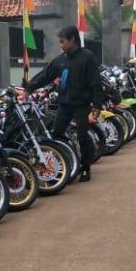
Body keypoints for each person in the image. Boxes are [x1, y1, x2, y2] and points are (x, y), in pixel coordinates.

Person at [24, 25, 102, 182]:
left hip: (82, 105)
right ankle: (67, 163)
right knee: (56, 134)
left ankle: (85, 168)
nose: (60, 45)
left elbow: (95, 83)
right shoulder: (60, 60)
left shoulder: (87, 57)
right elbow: (45, 75)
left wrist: (96, 105)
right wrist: (28, 88)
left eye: (62, 41)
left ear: (72, 40)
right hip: (65, 105)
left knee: (83, 136)